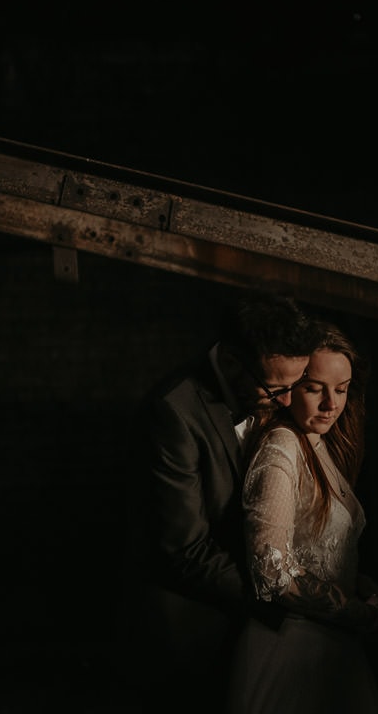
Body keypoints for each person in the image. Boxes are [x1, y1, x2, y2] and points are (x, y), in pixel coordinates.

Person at [125, 291, 323, 714]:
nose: (288, 401)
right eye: (276, 389)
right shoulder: (173, 412)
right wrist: (282, 601)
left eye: (294, 386)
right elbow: (184, 550)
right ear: (232, 362)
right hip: (200, 625)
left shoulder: (279, 396)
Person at [228, 321, 378, 714]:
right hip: (293, 648)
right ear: (290, 389)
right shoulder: (282, 446)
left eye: (342, 389)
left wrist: (360, 585)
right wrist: (357, 611)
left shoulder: (319, 444)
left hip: (331, 647)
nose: (331, 404)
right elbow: (271, 571)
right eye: (315, 388)